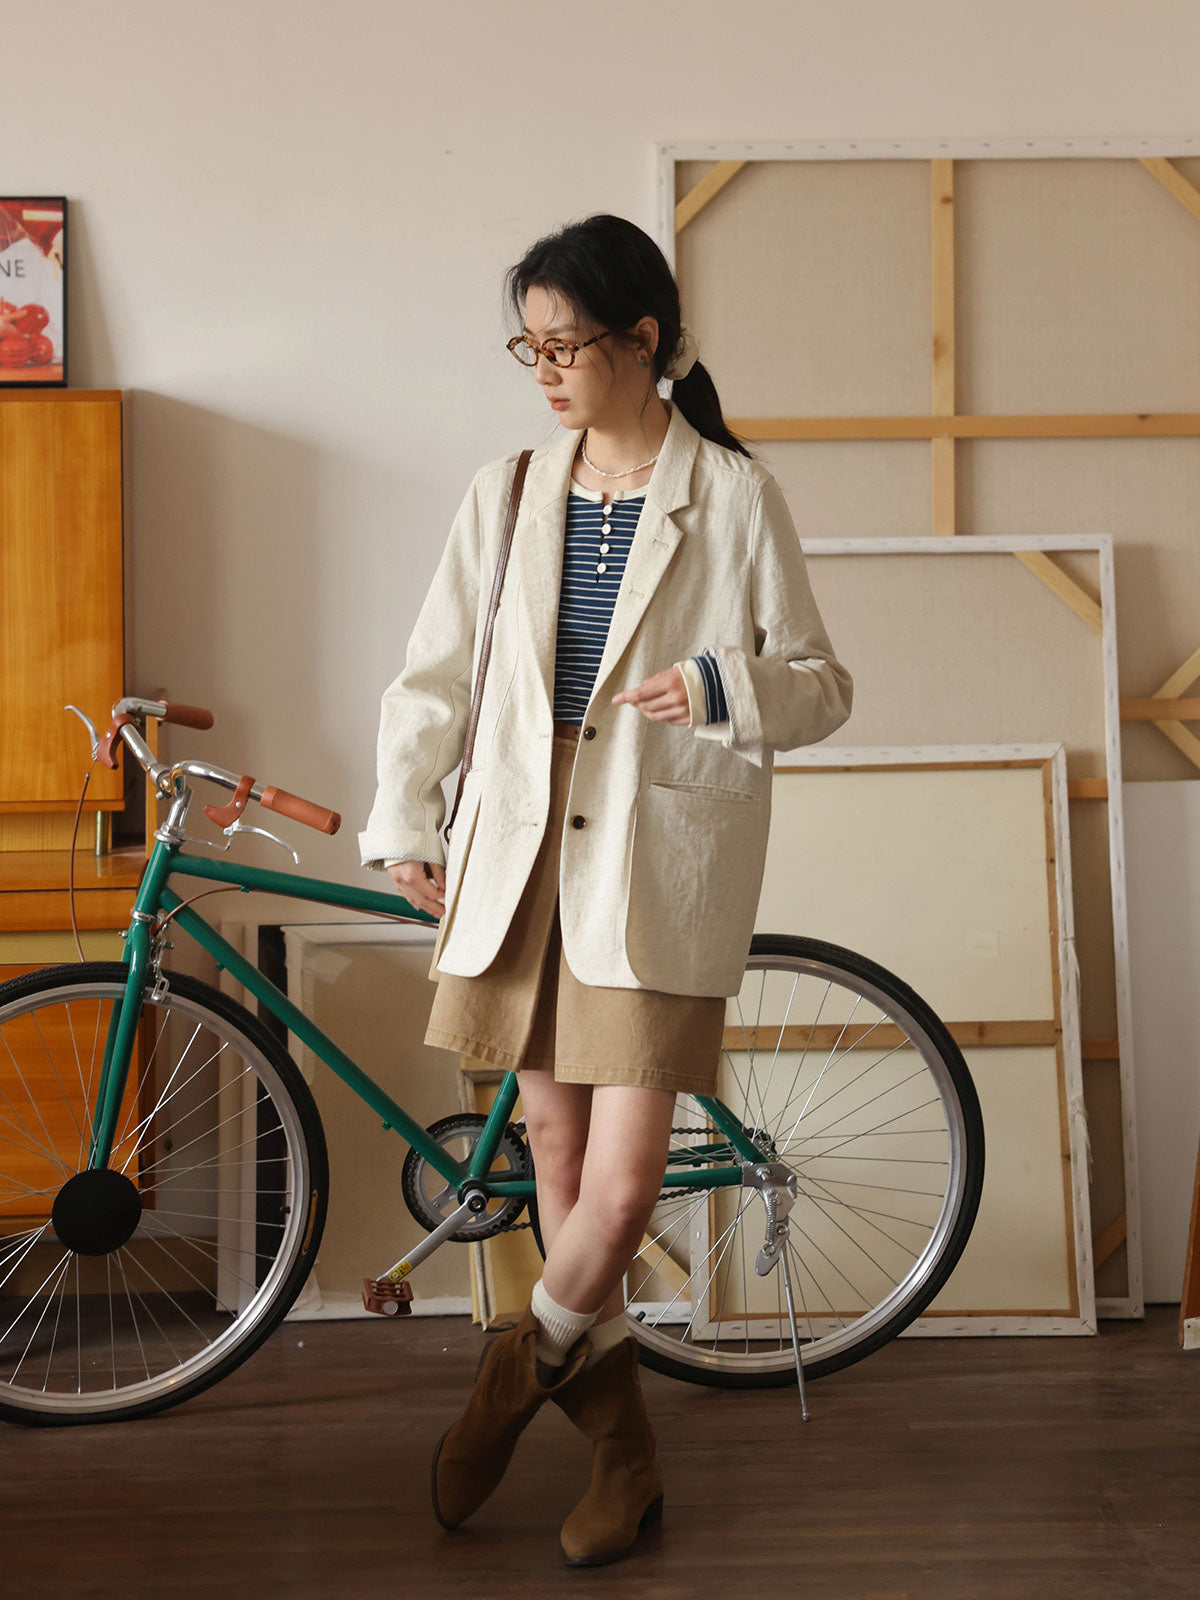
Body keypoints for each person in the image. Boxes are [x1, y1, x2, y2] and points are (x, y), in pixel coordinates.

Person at [359, 213, 853, 1567]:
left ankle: (512, 1378)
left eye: (567, 345)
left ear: (644, 341)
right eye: (528, 347)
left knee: (622, 1191)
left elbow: (822, 686)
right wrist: (406, 819)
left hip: (654, 852)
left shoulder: (732, 494)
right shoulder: (509, 488)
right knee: (561, 1167)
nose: (546, 372)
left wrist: (716, 685)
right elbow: (435, 673)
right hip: (520, 845)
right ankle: (626, 1466)